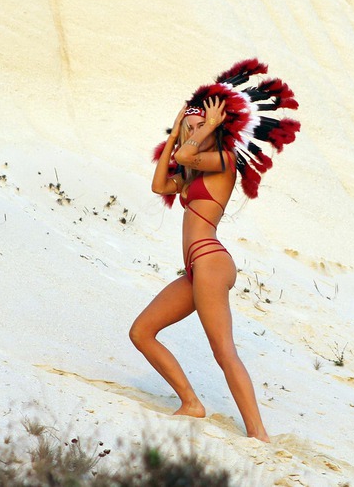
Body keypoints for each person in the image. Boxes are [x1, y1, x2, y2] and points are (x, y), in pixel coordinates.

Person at [129, 58, 301, 442]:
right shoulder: (190, 171)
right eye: (188, 127)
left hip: (210, 260)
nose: (193, 133)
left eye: (199, 127)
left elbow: (188, 155)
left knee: (223, 351)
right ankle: (191, 402)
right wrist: (176, 132)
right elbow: (161, 185)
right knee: (142, 332)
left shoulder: (224, 162)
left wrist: (201, 129)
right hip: (194, 268)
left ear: (216, 129)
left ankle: (258, 434)